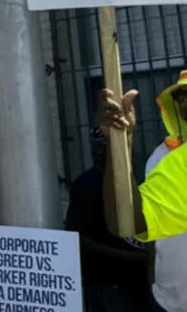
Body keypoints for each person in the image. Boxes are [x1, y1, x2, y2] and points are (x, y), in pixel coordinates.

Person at [64, 128, 147, 311]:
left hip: (144, 284)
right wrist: (134, 258)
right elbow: (79, 240)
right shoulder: (90, 184)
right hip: (110, 286)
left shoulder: (141, 177)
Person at [99, 87, 187, 242]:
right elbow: (128, 221)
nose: (184, 103)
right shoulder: (175, 160)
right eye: (180, 98)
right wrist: (119, 141)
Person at [142, 75, 187, 312]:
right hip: (167, 300)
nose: (185, 103)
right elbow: (150, 225)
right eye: (180, 97)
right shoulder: (160, 157)